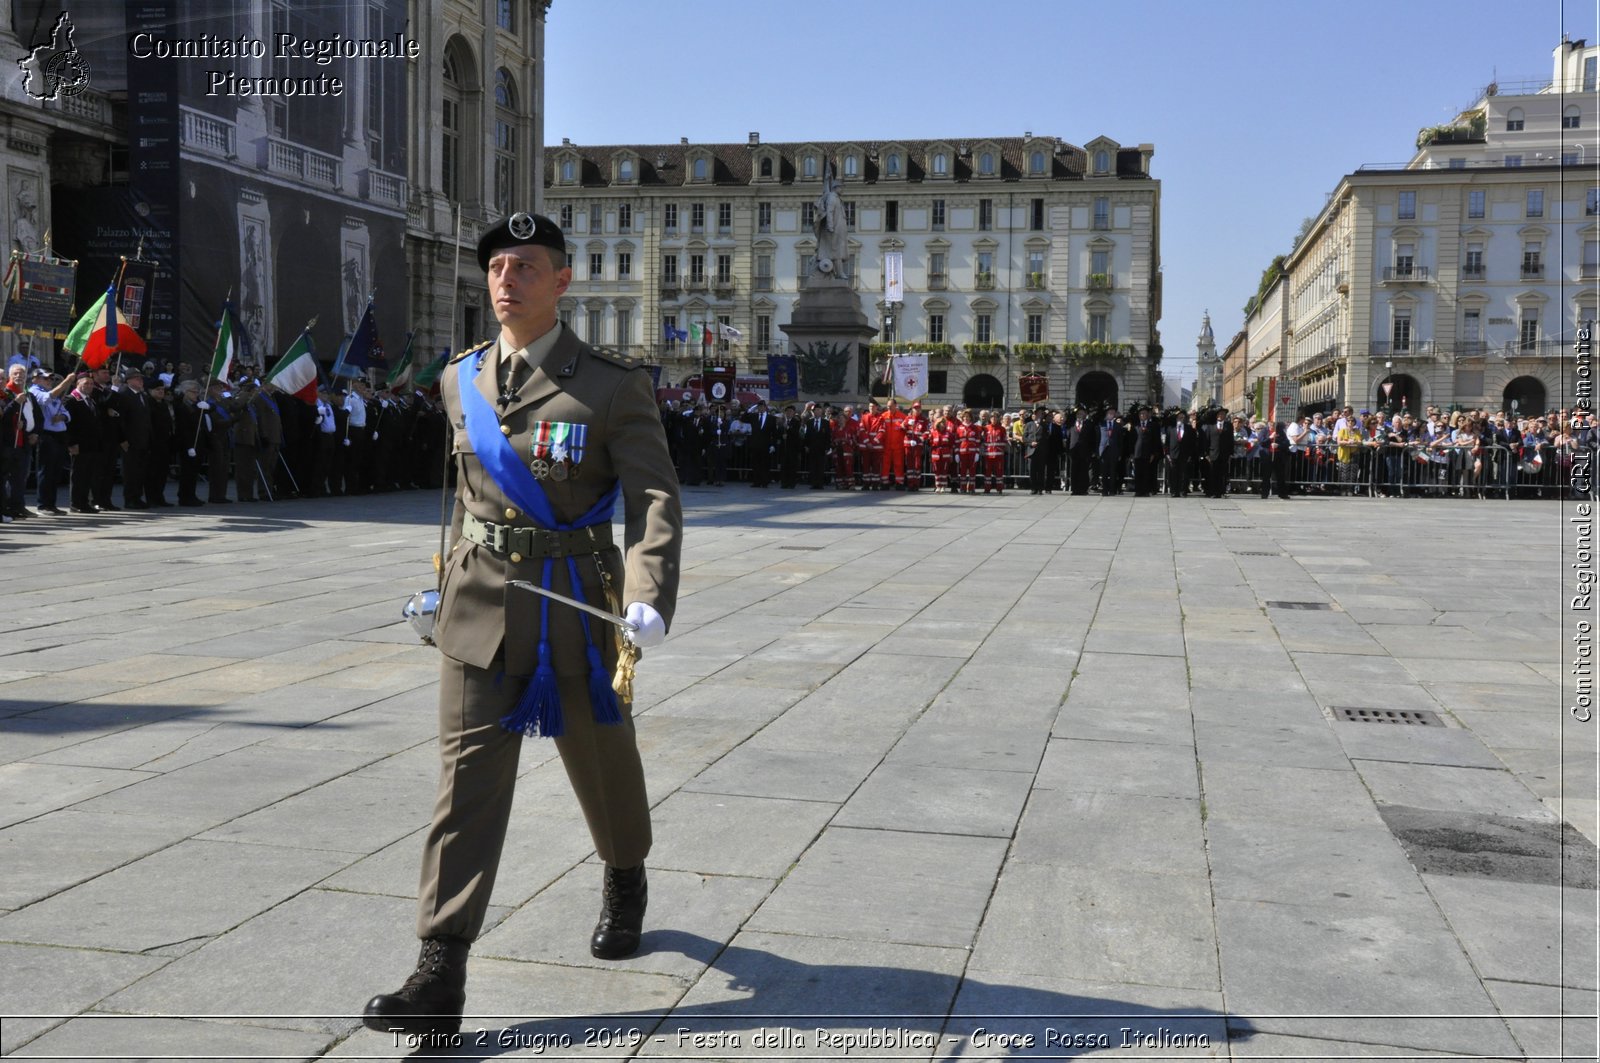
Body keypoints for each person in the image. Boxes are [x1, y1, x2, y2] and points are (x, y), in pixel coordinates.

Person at [364, 211, 682, 1038]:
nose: (508, 280)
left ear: (563, 280)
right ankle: (441, 965)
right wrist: (436, 583)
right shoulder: (458, 377)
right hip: (477, 605)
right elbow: (459, 495)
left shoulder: (612, 386)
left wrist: (649, 591)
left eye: (527, 267)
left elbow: (653, 498)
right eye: (499, 267)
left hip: (575, 599)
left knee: (602, 761)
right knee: (464, 785)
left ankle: (624, 870)